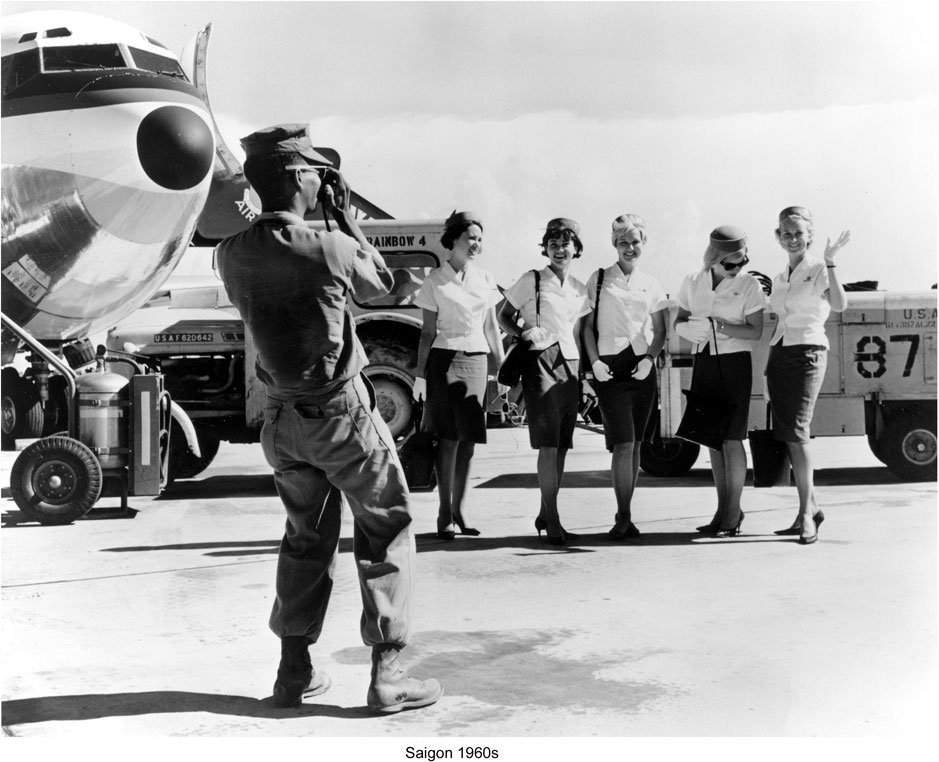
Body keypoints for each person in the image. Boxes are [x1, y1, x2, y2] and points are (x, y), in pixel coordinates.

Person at [215, 124, 441, 713]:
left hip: (281, 422)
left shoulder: (230, 255)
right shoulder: (334, 246)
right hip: (341, 417)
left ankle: (293, 672)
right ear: (298, 177)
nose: (324, 179)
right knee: (385, 527)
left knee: (305, 537)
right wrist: (346, 221)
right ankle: (388, 676)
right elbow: (382, 283)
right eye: (316, 170)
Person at [412, 211, 505, 540]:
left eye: (480, 239)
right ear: (453, 241)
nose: (477, 244)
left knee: (468, 443)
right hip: (445, 360)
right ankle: (444, 513)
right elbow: (426, 333)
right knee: (449, 440)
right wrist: (420, 377)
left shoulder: (485, 278)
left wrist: (502, 367)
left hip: (477, 360)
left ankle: (460, 510)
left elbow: (492, 327)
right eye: (471, 238)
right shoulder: (434, 280)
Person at [497, 218, 590, 545]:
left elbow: (583, 332)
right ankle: (552, 520)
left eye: (566, 243)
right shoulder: (531, 280)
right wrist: (523, 331)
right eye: (553, 243)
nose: (559, 249)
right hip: (540, 363)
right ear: (546, 248)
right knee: (548, 445)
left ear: (576, 248)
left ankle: (544, 512)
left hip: (572, 365)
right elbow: (503, 316)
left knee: (562, 445)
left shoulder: (580, 288)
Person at [765, 206, 850, 544]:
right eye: (786, 233)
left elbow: (841, 304)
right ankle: (811, 507)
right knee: (788, 433)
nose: (793, 238)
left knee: (798, 433)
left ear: (809, 235)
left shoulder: (817, 268)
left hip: (808, 353)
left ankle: (805, 515)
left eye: (798, 233)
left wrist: (831, 260)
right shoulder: (781, 276)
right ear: (778, 237)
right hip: (781, 353)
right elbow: (778, 319)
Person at [674, 226, 766, 537]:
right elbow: (679, 320)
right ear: (713, 258)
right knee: (712, 439)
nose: (737, 268)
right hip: (705, 360)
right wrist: (687, 330)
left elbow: (755, 331)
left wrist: (722, 326)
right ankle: (722, 510)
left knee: (731, 438)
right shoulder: (693, 281)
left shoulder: (749, 284)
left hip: (733, 362)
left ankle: (732, 512)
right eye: (730, 264)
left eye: (742, 261)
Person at [582, 214, 668, 540]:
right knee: (622, 443)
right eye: (623, 242)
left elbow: (660, 330)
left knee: (634, 446)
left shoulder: (652, 283)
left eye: (635, 242)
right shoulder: (600, 278)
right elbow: (586, 328)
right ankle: (623, 516)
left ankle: (626, 514)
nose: (629, 248)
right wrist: (594, 363)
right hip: (610, 368)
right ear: (614, 245)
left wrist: (650, 358)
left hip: (641, 368)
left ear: (643, 243)